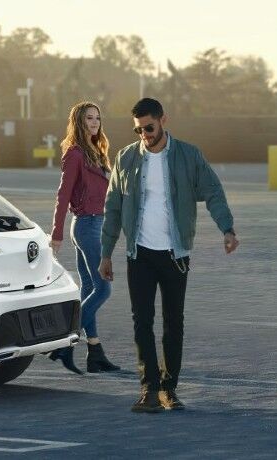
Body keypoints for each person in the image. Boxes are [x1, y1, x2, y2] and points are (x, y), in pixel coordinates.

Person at [98, 98, 239, 413]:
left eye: (149, 127)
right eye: (138, 130)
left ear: (164, 121)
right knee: (141, 322)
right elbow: (113, 208)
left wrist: (227, 229)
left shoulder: (188, 156)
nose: (144, 135)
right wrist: (106, 252)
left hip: (176, 254)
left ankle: (168, 389)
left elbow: (213, 192)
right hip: (140, 253)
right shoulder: (126, 158)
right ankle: (148, 389)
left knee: (174, 323)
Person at [47, 101, 121, 375]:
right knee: (103, 289)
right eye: (89, 118)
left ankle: (95, 352)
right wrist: (56, 235)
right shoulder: (75, 154)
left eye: (98, 118)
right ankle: (64, 342)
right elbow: (63, 194)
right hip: (87, 225)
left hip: (97, 224)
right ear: (78, 121)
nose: (94, 122)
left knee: (89, 288)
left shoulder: (98, 152)